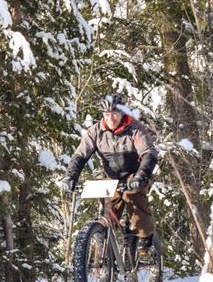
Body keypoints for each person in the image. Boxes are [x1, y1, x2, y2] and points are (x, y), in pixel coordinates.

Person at [60, 93, 159, 258]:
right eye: (106, 115)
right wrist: (70, 177)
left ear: (122, 113)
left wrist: (141, 175)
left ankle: (143, 236)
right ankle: (104, 245)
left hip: (135, 174)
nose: (110, 118)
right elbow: (80, 156)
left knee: (132, 195)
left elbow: (149, 153)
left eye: (114, 114)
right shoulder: (96, 131)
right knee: (108, 209)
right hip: (112, 177)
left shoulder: (135, 129)